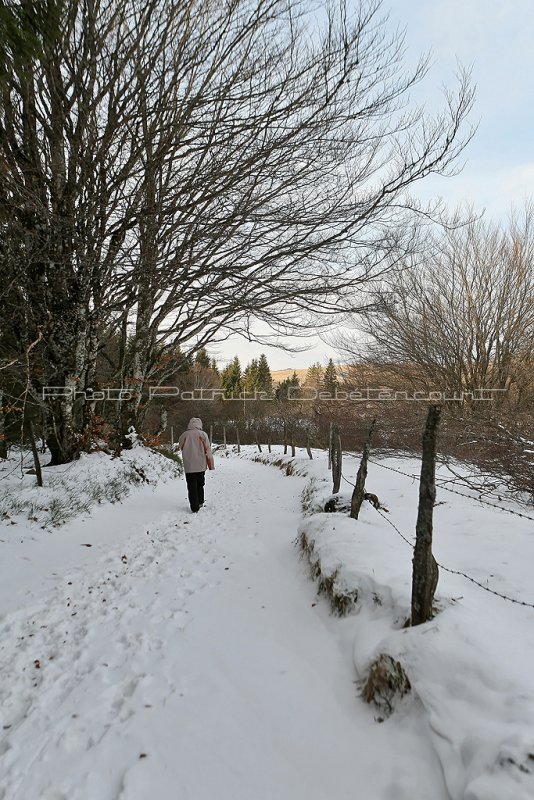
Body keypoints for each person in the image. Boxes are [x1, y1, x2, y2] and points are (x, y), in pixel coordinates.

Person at [178, 417, 214, 512]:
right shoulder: (203, 434)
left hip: (189, 465)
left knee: (191, 486)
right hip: (201, 465)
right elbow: (208, 450)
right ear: (200, 424)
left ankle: (194, 507)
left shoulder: (184, 435)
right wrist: (211, 465)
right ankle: (200, 501)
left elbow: (180, 447)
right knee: (200, 484)